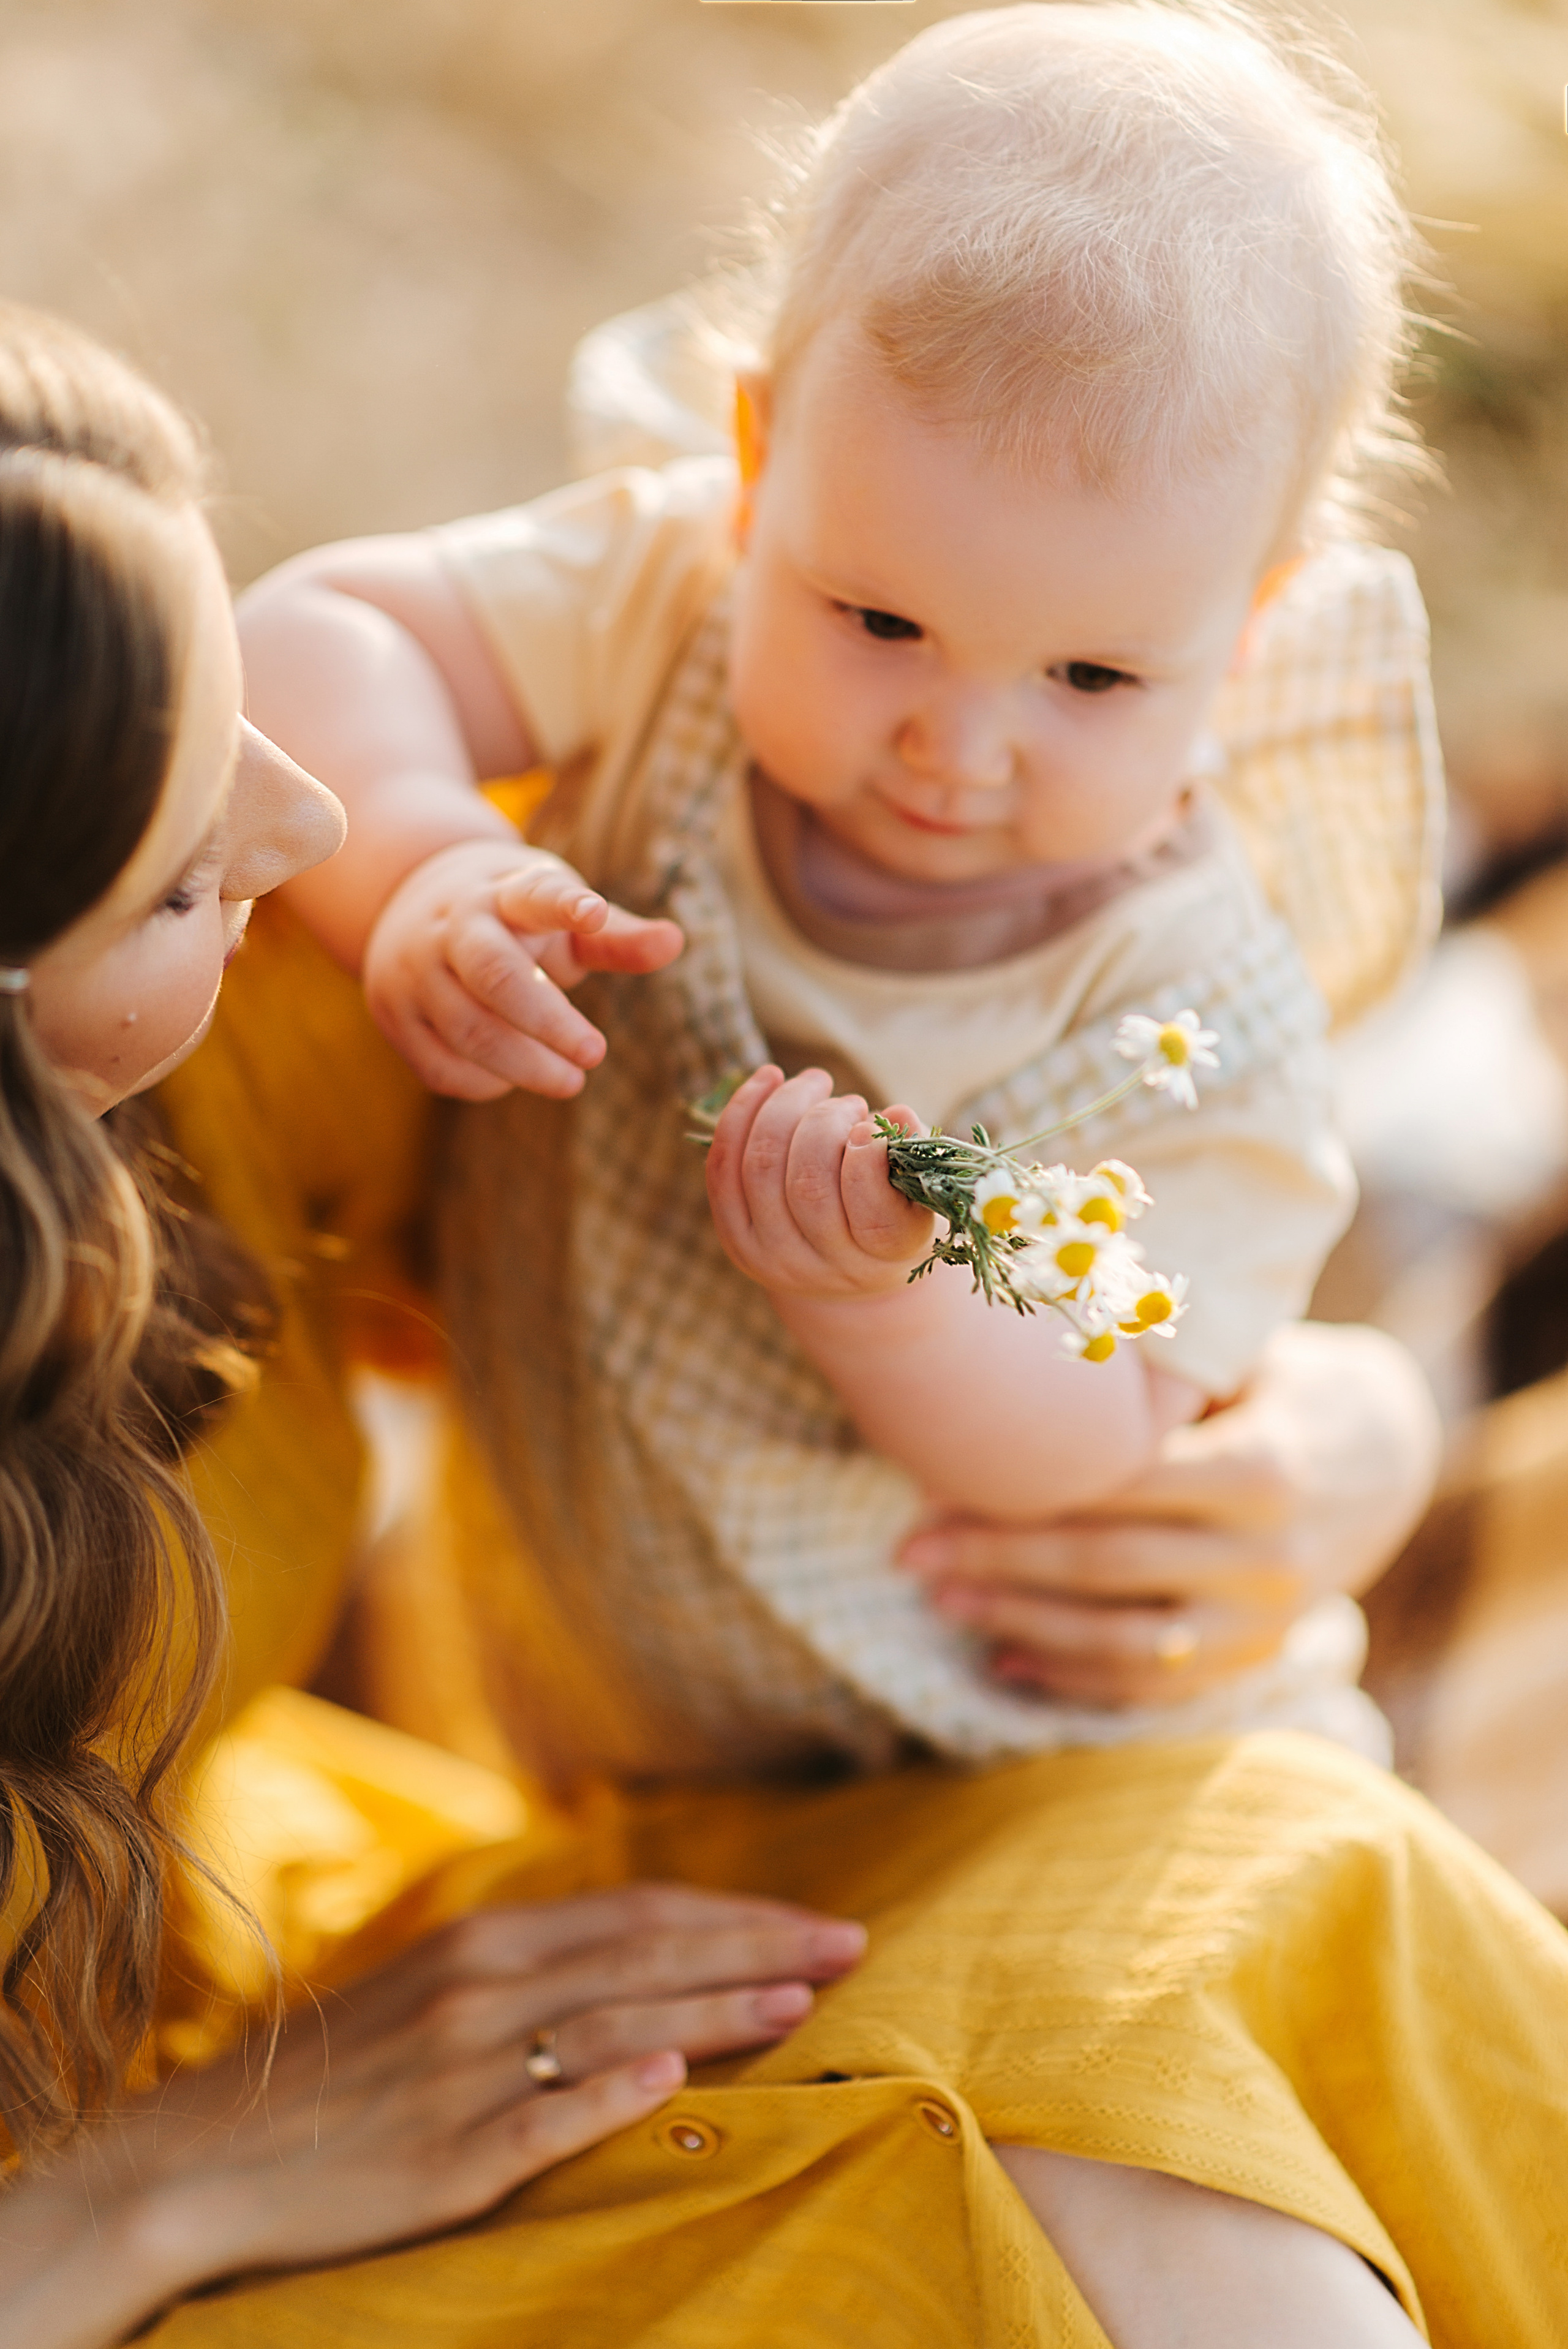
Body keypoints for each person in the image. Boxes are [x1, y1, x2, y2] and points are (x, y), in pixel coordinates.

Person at [243, 3, 1439, 1782]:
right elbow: (307, 635)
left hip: (998, 1754)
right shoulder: (670, 597)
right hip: (592, 1698)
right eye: (881, 622)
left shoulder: (1189, 1008)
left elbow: (1100, 1438)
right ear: (757, 455)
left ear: (1247, 632)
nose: (956, 747)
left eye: (1093, 680)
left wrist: (888, 1295)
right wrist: (426, 855)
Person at [0, 301, 872, 2349]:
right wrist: (138, 2191)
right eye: (174, 878)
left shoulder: (215, 1054)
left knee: (1211, 1936)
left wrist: (1292, 1435)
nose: (301, 824)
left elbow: (723, 1144)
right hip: (134, 2218)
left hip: (286, 1957)